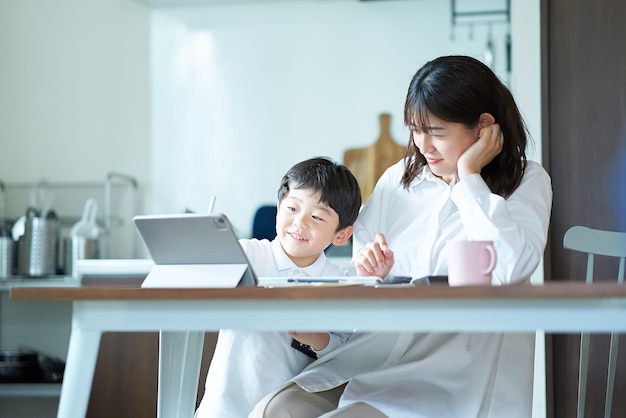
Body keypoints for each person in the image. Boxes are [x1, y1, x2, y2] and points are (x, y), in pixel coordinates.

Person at [250, 55, 553, 417]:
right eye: (415, 129)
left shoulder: (526, 182)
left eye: (436, 132)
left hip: (451, 374)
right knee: (277, 409)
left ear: (483, 126)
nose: (423, 145)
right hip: (378, 355)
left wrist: (468, 175)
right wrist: (367, 271)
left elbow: (511, 267)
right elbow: (361, 270)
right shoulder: (400, 179)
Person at [194, 157, 362, 418]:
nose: (300, 223)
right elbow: (204, 273)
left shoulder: (336, 282)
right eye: (292, 208)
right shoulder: (248, 254)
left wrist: (317, 338)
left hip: (286, 407)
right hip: (223, 404)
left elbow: (343, 349)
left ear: (341, 235)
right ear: (279, 207)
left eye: (317, 217)